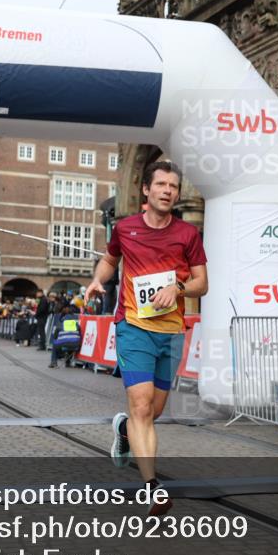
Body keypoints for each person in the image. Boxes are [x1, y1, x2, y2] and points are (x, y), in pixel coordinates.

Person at [85, 160, 208, 516]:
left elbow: (203, 282)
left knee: (152, 411)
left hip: (170, 332)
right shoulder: (125, 228)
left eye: (173, 186)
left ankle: (123, 430)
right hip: (133, 327)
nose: (168, 191)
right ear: (146, 189)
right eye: (162, 185)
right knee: (141, 406)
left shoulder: (188, 234)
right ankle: (153, 488)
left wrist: (178, 288)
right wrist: (98, 280)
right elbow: (110, 261)